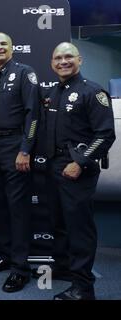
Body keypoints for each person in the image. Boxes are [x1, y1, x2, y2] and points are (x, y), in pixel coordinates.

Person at [39, 42, 115, 300]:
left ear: (79, 60)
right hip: (54, 167)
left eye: (68, 56)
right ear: (52, 63)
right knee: (58, 224)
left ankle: (83, 288)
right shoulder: (54, 92)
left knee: (79, 228)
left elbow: (105, 134)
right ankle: (64, 269)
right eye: (58, 57)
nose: (63, 61)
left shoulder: (93, 92)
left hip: (77, 170)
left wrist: (80, 162)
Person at [0, 32, 41, 292]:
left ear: (12, 48)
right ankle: (6, 254)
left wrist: (25, 149)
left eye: (4, 43)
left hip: (15, 146)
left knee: (17, 209)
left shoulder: (25, 73)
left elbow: (34, 114)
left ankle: (20, 268)